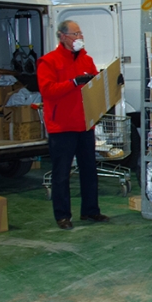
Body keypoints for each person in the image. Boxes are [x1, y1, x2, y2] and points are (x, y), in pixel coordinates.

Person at [37, 20, 108, 230]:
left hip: (84, 124)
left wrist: (110, 81)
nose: (79, 37)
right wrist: (73, 82)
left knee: (89, 170)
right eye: (75, 33)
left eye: (80, 33)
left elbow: (94, 84)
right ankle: (62, 215)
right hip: (62, 126)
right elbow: (48, 91)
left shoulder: (87, 60)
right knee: (61, 173)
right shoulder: (48, 62)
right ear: (62, 36)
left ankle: (90, 210)